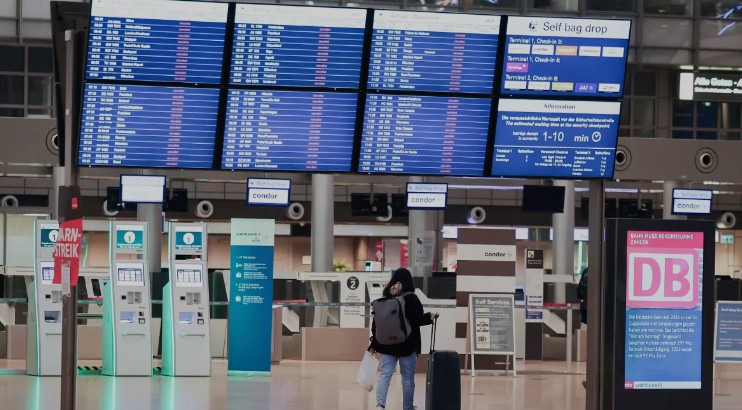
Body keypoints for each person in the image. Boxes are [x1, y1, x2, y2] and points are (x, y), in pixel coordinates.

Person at [368, 268, 437, 410]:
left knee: (385, 375)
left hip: (387, 345)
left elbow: (377, 323)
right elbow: (417, 320)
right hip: (407, 344)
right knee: (407, 379)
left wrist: (374, 343)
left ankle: (380, 405)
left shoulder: (386, 296)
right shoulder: (411, 298)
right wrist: (430, 317)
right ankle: (408, 407)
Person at [576, 266, 588, 389]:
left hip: (589, 311)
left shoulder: (586, 271)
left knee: (592, 346)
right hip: (607, 313)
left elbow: (579, 293)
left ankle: (589, 376)